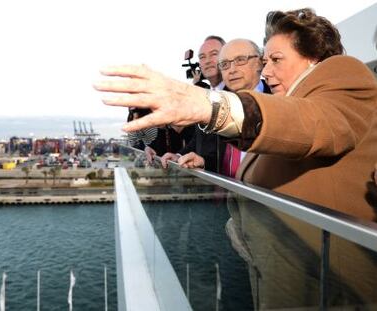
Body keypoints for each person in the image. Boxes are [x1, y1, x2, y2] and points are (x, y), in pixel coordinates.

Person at [95, 8, 377, 308]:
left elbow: (312, 124)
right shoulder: (289, 100)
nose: (266, 71)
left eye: (276, 60)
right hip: (283, 274)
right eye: (266, 61)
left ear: (313, 58)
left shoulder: (346, 76)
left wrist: (208, 106)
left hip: (329, 289)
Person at [178, 38, 271, 176]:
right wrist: (198, 161)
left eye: (240, 60)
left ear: (259, 62)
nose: (232, 70)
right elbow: (217, 153)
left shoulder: (279, 99)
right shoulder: (218, 102)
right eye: (225, 64)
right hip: (225, 190)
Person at [161, 35, 227, 173]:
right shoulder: (205, 96)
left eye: (214, 54)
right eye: (202, 57)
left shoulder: (237, 96)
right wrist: (178, 155)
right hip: (209, 183)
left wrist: (204, 162)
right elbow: (198, 140)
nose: (207, 61)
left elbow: (234, 154)